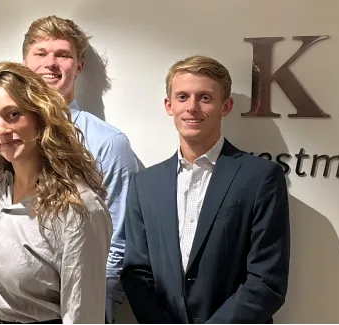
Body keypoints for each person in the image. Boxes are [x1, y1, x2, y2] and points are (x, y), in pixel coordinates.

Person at [121, 55, 291, 325]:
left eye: (205, 98)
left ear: (226, 106)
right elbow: (136, 272)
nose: (192, 107)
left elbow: (267, 281)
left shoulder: (260, 178)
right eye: (182, 97)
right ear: (169, 105)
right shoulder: (145, 185)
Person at [0, 61, 112, 324]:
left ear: (40, 117)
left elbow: (83, 316)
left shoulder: (78, 209)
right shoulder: (0, 188)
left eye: (13, 114)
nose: (2, 130)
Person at [20, 16, 141, 320]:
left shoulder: (108, 143)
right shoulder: (2, 137)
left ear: (79, 65)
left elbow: (119, 233)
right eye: (41, 53)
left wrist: (94, 303)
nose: (51, 63)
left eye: (62, 54)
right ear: (24, 62)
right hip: (7, 305)